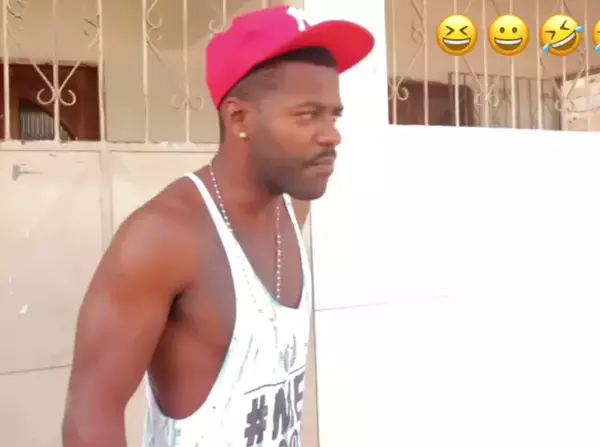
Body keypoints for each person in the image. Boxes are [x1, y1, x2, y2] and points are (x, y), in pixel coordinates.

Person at [61, 6, 374, 447]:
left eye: (333, 116)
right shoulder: (162, 239)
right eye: (307, 115)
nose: (331, 135)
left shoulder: (292, 208)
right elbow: (92, 417)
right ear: (239, 118)